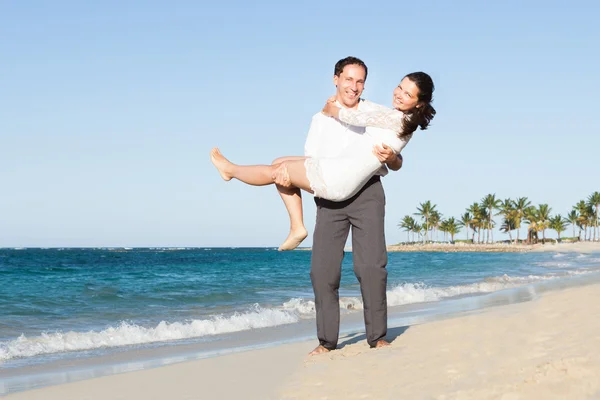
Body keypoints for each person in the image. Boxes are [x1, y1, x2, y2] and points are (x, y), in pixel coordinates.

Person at [211, 56, 435, 354]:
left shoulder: (385, 115)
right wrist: (329, 114)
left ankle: (377, 337)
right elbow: (314, 152)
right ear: (336, 79)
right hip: (332, 190)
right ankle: (326, 341)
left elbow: (394, 155)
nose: (354, 87)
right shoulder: (344, 114)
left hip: (364, 191)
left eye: (360, 82)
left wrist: (388, 155)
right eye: (399, 87)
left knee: (370, 268)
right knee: (322, 271)